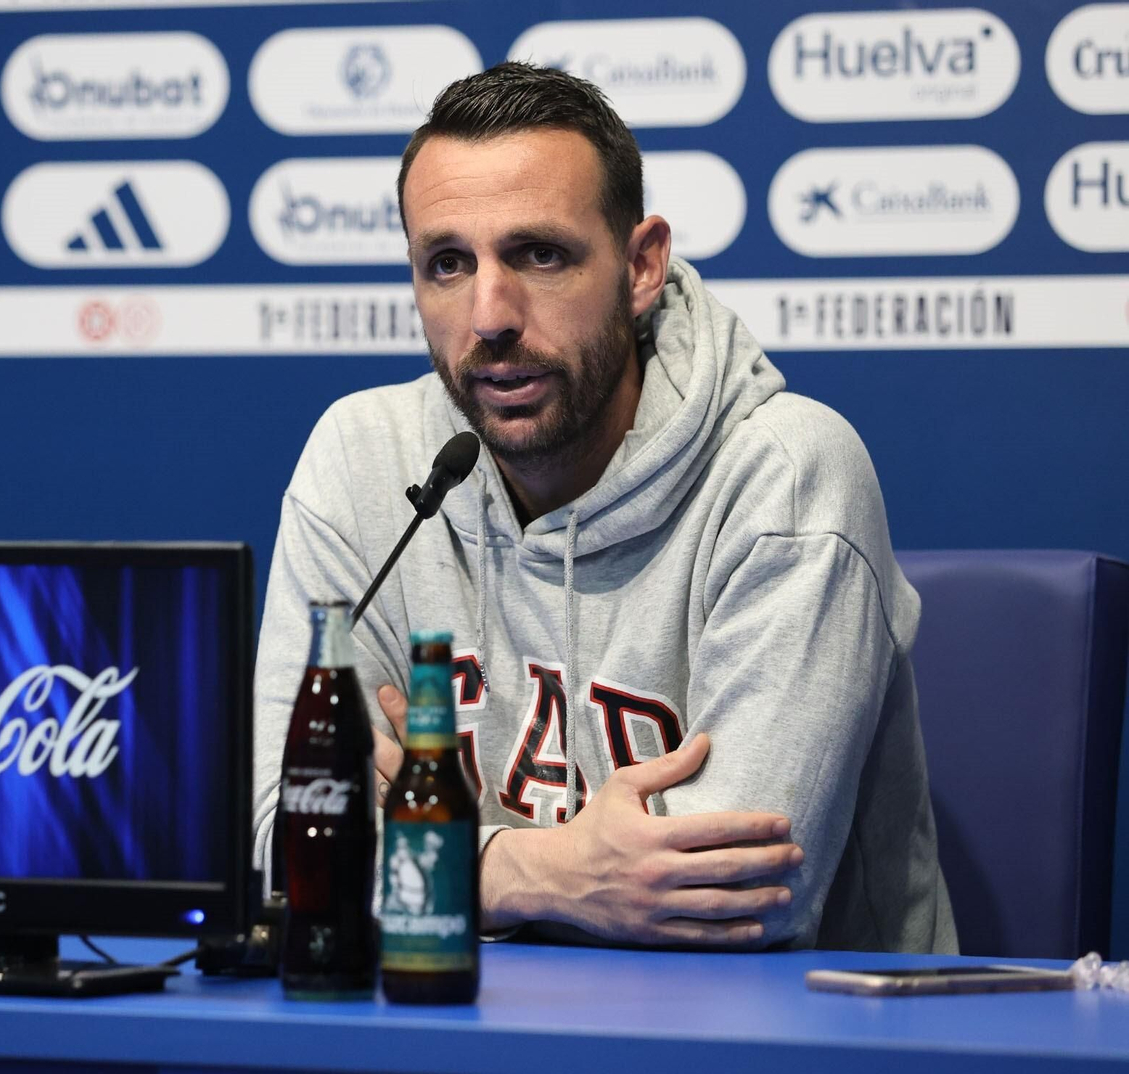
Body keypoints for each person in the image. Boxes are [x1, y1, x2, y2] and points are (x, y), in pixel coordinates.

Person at [252, 62, 956, 952]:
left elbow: (737, 907)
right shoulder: (364, 463)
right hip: (447, 1029)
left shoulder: (787, 475)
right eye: (447, 264)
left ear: (640, 266)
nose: (490, 314)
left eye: (539, 255)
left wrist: (411, 849)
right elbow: (280, 852)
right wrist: (545, 873)